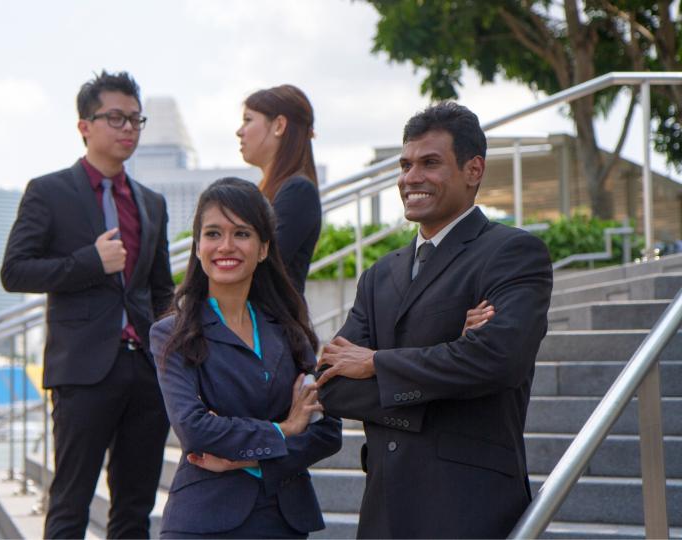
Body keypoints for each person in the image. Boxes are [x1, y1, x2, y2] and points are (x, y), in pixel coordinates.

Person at [316, 102, 553, 539]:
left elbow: (498, 361)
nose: (410, 178)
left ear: (473, 169)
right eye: (405, 165)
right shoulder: (379, 274)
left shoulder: (511, 254)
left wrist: (376, 364)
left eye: (430, 163)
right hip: (384, 511)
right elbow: (332, 384)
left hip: (468, 508)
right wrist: (452, 356)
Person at [0, 70, 174, 539]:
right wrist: (88, 262)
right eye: (115, 118)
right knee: (71, 502)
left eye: (136, 120)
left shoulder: (152, 203)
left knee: (135, 508)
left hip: (145, 373)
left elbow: (161, 289)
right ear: (84, 125)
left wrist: (170, 344)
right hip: (82, 371)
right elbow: (14, 271)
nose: (128, 129)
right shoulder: (49, 191)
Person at [150, 178, 342, 539]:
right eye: (212, 233)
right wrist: (282, 429)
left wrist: (249, 457)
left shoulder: (290, 329)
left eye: (241, 233)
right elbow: (194, 428)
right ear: (197, 245)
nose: (226, 246)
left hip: (284, 518)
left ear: (264, 248)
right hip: (204, 520)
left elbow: (327, 432)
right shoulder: (171, 334)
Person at [237, 85, 321, 294]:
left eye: (248, 120)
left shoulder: (298, 191)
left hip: (274, 323)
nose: (239, 131)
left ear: (279, 125)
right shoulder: (276, 190)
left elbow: (264, 267)